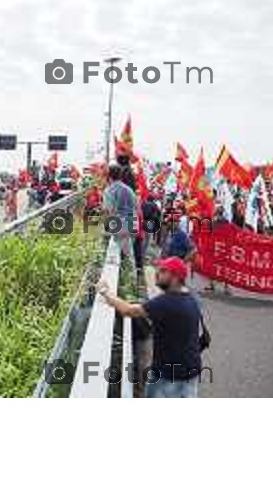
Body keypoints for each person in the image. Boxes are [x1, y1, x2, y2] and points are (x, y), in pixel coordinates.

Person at [100, 256, 205, 398]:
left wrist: (105, 292)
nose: (157, 273)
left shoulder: (165, 302)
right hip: (191, 369)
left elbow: (128, 310)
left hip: (168, 374)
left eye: (163, 271)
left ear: (175, 278)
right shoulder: (193, 298)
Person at [103, 163, 137, 263]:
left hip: (119, 226)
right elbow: (135, 206)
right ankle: (131, 276)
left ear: (109, 175)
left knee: (116, 255)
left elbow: (110, 211)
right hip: (132, 223)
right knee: (128, 255)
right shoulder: (129, 189)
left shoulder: (109, 190)